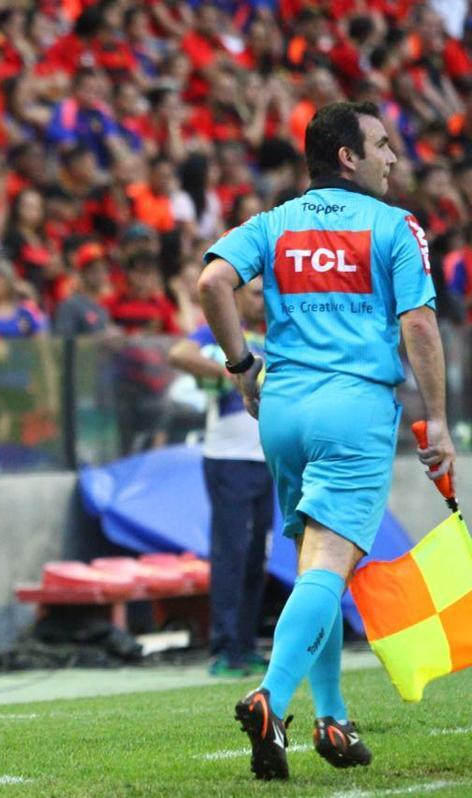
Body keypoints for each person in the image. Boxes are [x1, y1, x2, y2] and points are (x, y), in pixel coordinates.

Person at [198, 101, 454, 780]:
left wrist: (240, 365)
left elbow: (212, 281)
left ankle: (332, 718)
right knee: (329, 560)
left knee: (317, 563)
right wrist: (441, 424)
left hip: (281, 409)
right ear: (348, 156)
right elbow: (421, 328)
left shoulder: (275, 223)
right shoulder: (395, 226)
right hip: (353, 410)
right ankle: (271, 699)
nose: (393, 158)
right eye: (380, 144)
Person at [168, 278, 272, 678]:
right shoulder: (224, 335)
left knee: (256, 555)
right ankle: (224, 650)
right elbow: (179, 353)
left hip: (267, 459)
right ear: (236, 297)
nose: (264, 301)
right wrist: (234, 369)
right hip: (229, 459)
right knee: (232, 553)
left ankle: (245, 645)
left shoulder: (277, 334)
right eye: (256, 293)